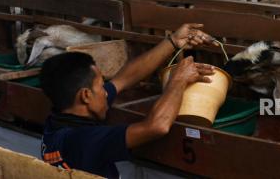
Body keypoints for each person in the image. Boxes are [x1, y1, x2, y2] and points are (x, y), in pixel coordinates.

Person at [40, 23, 216, 178]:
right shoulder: (84, 141)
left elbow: (122, 80)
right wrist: (178, 80)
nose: (106, 93)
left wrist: (172, 41)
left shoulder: (58, 122)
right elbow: (156, 126)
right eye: (101, 87)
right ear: (85, 96)